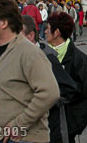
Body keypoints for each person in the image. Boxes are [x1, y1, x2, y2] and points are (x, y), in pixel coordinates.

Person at [0, 0, 60, 143]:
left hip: (23, 138)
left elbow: (50, 92)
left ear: (4, 23)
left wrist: (19, 123)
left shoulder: (28, 52)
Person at [21, 15, 78, 143]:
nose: (45, 31)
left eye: (17, 36)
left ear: (30, 36)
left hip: (46, 127)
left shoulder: (46, 57)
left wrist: (45, 103)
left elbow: (69, 89)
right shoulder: (16, 56)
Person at [45, 12, 87, 142]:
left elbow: (84, 91)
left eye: (48, 29)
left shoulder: (79, 59)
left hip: (68, 120)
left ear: (56, 33)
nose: (44, 32)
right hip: (46, 121)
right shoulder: (42, 54)